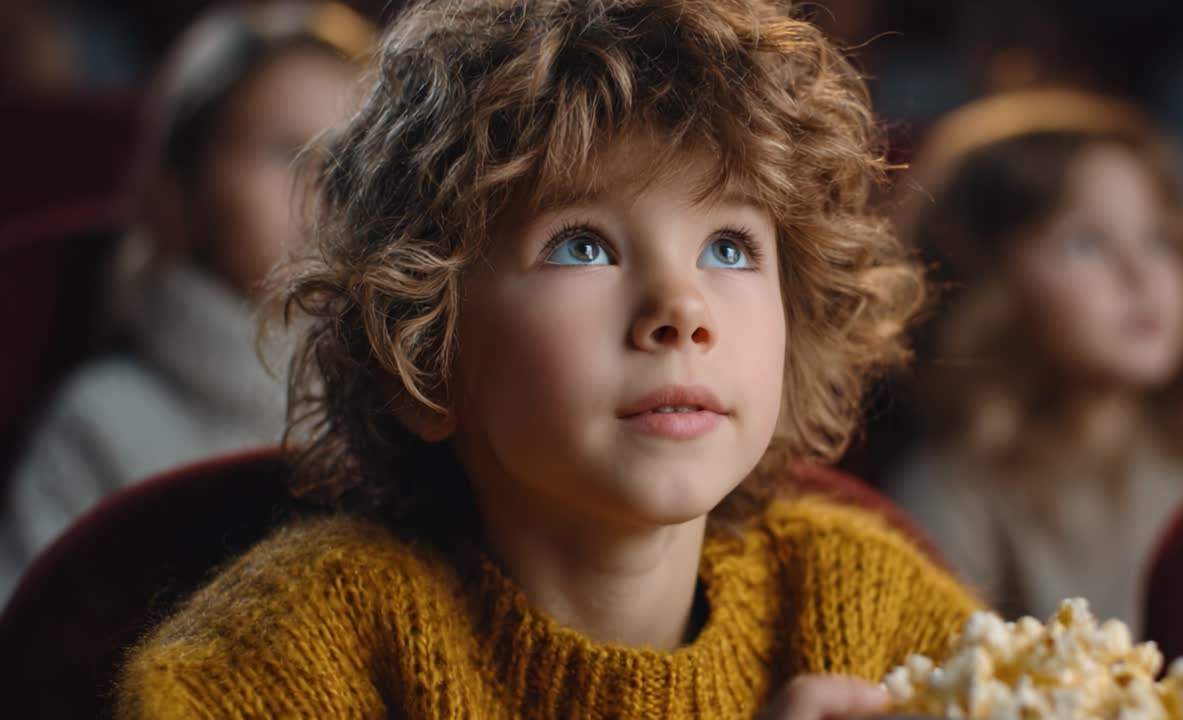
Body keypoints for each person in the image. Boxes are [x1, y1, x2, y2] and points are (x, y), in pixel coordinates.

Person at [115, 0, 981, 717]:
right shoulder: (289, 661)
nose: (681, 311)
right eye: (581, 247)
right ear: (424, 350)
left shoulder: (872, 609)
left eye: (728, 248)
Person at [2, 2, 374, 594]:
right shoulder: (101, 424)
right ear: (182, 193)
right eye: (285, 151)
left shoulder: (409, 418)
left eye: (352, 157)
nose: (325, 182)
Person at [889, 90, 1183, 629]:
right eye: (1085, 243)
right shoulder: (952, 496)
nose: (1139, 274)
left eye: (1158, 238)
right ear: (986, 284)